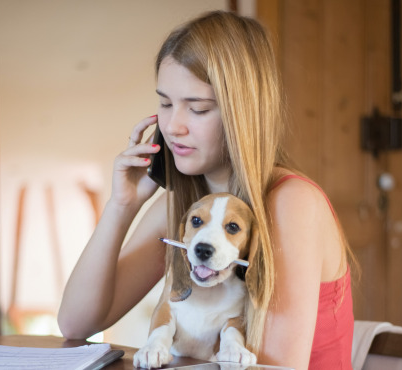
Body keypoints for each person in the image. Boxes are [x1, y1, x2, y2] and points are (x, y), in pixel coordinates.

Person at [58, 10, 357, 370]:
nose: (172, 126)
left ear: (241, 114)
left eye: (197, 109)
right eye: (165, 104)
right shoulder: (185, 207)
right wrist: (122, 206)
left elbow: (275, 367)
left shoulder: (293, 204)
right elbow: (76, 323)